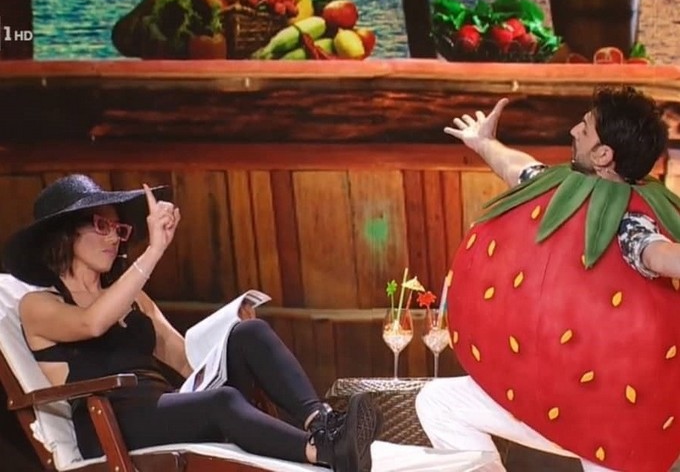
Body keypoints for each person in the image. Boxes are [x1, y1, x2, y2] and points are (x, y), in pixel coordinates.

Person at [1, 174, 382, 472]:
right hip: (110, 424)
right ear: (64, 234)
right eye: (103, 226)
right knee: (221, 402)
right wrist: (154, 250)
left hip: (164, 408)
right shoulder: (39, 304)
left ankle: (323, 423)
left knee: (248, 333)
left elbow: (187, 361)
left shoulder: (135, 299)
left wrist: (227, 336)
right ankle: (322, 452)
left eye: (120, 230)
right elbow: (91, 324)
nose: (115, 238)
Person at [416, 86, 680, 472]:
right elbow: (517, 167)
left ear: (603, 155)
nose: (573, 131)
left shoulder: (630, 223)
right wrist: (484, 142)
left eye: (584, 129)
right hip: (532, 396)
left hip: (605, 421)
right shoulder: (555, 187)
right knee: (440, 403)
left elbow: (659, 254)